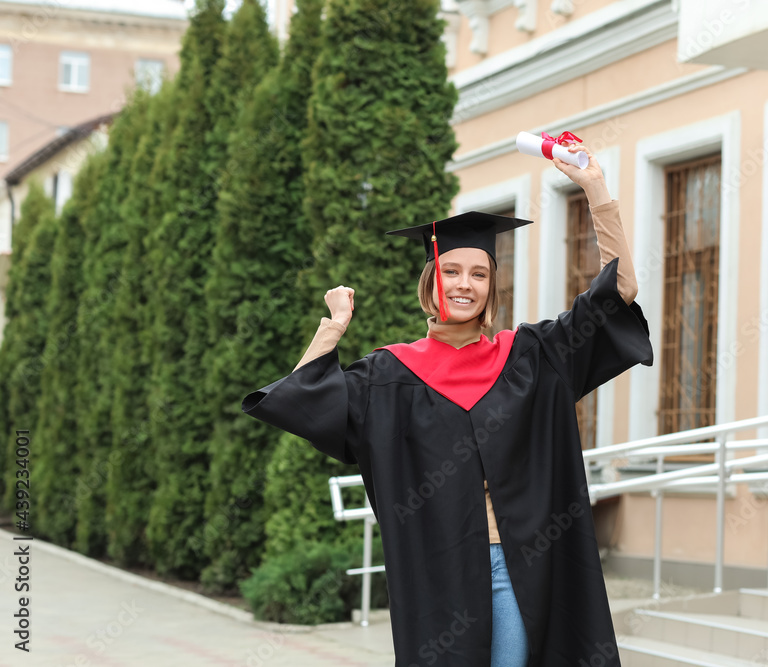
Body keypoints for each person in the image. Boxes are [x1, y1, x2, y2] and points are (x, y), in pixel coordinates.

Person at [242, 142, 653, 667]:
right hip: (436, 575)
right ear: (430, 282)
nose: (465, 284)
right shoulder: (388, 374)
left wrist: (596, 189)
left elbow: (619, 290)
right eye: (452, 270)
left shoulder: (530, 356)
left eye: (479, 274)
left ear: (491, 286)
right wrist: (333, 329)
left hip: (521, 565)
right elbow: (301, 400)